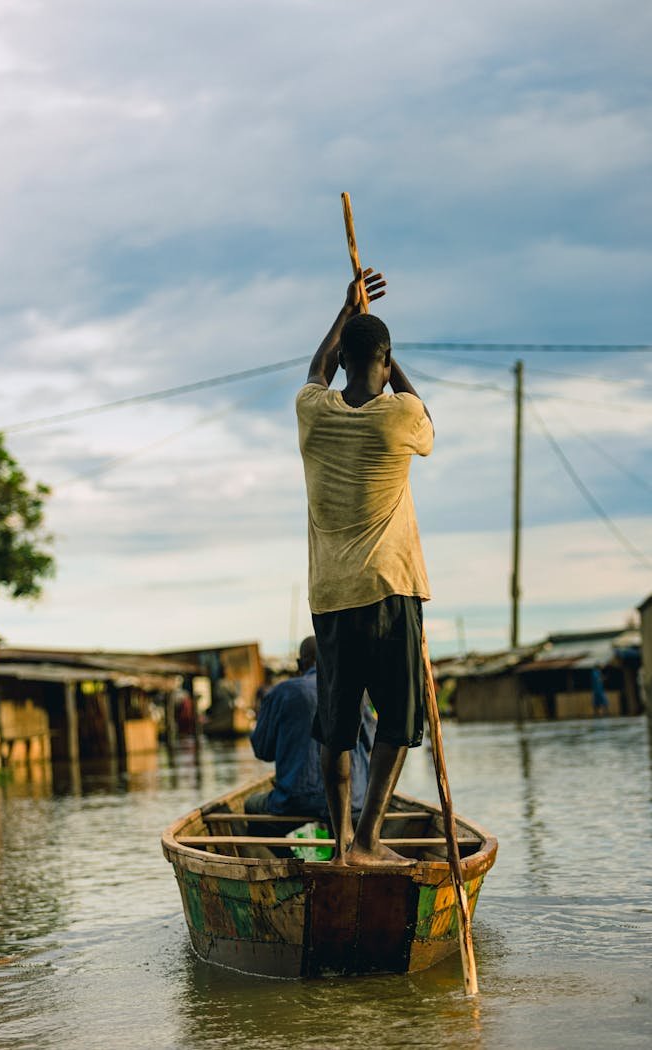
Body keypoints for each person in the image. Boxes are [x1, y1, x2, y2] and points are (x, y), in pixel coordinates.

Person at [296, 267, 434, 866]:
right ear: (381, 360)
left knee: (336, 726)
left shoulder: (313, 413)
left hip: (331, 598)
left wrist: (343, 312)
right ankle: (368, 840)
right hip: (389, 588)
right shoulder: (398, 417)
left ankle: (338, 843)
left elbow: (315, 372)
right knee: (400, 721)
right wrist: (386, 353)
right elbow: (421, 408)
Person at [245, 636, 375, 856]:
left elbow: (263, 751)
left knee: (251, 806)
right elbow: (371, 743)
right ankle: (346, 854)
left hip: (296, 801)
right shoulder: (354, 690)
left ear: (299, 664)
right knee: (370, 810)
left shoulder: (280, 692)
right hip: (354, 801)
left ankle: (289, 865)